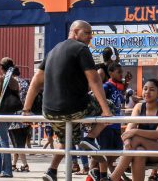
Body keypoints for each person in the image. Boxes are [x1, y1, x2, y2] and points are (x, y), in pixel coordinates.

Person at [24, 20, 113, 181]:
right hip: (74, 108)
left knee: (67, 139)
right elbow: (94, 79)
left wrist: (26, 109)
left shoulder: (53, 51)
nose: (90, 37)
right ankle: (91, 138)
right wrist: (106, 111)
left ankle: (51, 170)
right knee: (110, 105)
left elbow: (36, 80)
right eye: (87, 33)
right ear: (75, 31)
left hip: (50, 112)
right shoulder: (81, 49)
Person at [109, 78, 158, 181]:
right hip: (144, 148)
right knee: (139, 151)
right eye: (145, 89)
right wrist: (127, 141)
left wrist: (135, 132)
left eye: (152, 89)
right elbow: (129, 130)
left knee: (135, 138)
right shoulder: (139, 107)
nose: (147, 92)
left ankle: (113, 178)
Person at [0, 57, 23, 178]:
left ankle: (7, 170)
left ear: (1, 67)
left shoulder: (1, 78)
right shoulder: (15, 81)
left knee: (3, 140)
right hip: (11, 113)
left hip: (1, 112)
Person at [7, 67, 32, 174]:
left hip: (13, 117)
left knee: (17, 143)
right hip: (26, 116)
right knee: (20, 142)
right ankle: (13, 164)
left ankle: (25, 165)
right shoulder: (26, 83)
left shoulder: (10, 84)